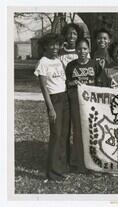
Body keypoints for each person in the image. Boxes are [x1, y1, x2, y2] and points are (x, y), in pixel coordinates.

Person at [34, 33, 70, 181]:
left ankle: (61, 167)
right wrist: (50, 108)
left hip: (65, 97)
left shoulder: (58, 60)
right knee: (56, 135)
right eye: (51, 45)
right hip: (54, 100)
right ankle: (53, 172)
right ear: (45, 47)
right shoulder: (43, 62)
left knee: (64, 135)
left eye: (57, 44)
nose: (55, 47)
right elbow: (44, 89)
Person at [65, 37, 101, 173]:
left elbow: (101, 83)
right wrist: (72, 83)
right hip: (76, 102)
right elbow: (66, 84)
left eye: (85, 48)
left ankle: (93, 161)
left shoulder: (94, 65)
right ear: (76, 50)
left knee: (92, 131)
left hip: (92, 104)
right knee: (78, 132)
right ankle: (79, 162)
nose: (82, 51)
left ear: (89, 49)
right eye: (79, 49)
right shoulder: (71, 66)